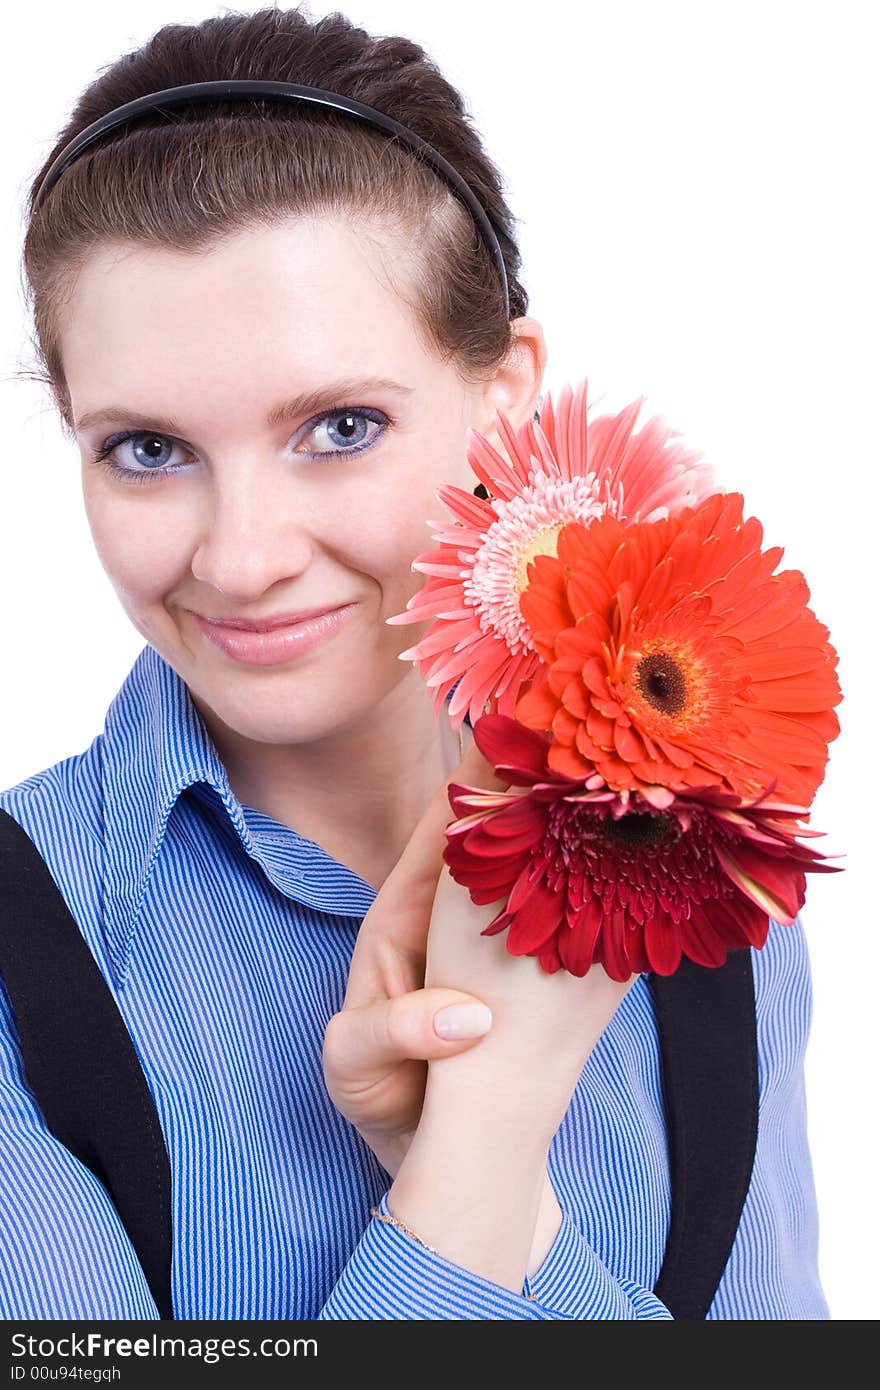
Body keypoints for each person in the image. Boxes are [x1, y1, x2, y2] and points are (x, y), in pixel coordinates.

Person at [0, 5, 828, 1320]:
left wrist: (471, 1177)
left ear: (508, 401)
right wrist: (485, 1139)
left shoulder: (711, 884)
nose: (245, 554)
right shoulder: (26, 953)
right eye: (147, 448)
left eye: (339, 425)